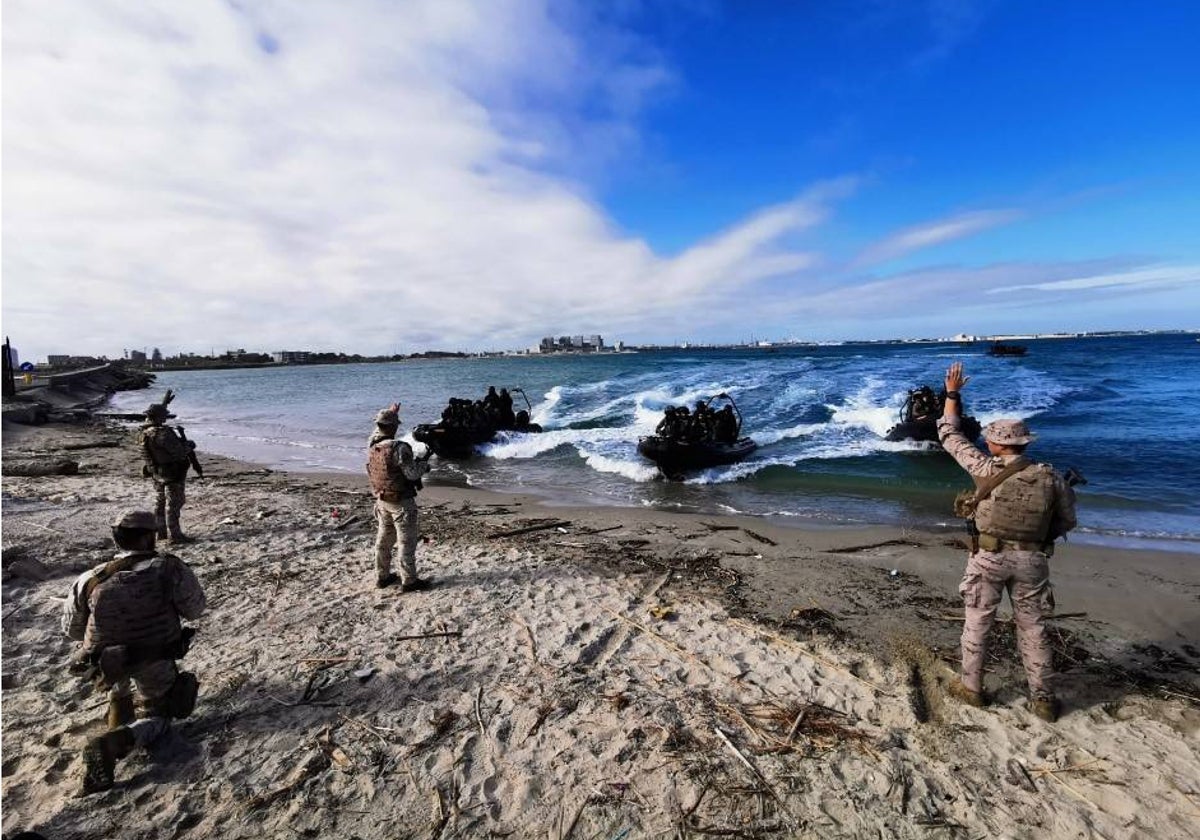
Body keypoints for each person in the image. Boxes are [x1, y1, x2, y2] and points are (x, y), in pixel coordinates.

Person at [938, 361, 1077, 721]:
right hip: (1032, 561)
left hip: (987, 557)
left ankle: (972, 690)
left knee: (977, 622)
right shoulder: (1052, 479)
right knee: (1034, 629)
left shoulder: (984, 468)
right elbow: (1067, 521)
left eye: (990, 440)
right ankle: (1043, 701)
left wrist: (952, 394)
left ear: (995, 444)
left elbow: (950, 436)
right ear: (1024, 443)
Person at [62, 510, 206, 793]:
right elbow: (195, 609)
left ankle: (118, 706)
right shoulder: (169, 568)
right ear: (148, 537)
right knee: (161, 718)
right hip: (154, 656)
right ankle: (115, 741)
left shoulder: (91, 578)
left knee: (117, 680)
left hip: (104, 662)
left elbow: (73, 630)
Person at [367, 403, 432, 590]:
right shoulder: (400, 448)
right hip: (401, 502)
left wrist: (390, 413)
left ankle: (382, 576)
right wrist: (424, 466)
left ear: (378, 425)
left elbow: (376, 433)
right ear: (394, 427)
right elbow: (411, 474)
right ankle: (409, 581)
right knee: (406, 542)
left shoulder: (373, 444)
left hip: (382, 500)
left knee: (383, 541)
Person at [139, 393, 198, 544]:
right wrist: (189, 445)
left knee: (160, 502)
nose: (166, 418)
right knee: (174, 503)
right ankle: (176, 535)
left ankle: (161, 533)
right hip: (172, 473)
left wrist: (164, 404)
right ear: (159, 417)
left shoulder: (144, 433)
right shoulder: (163, 433)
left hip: (155, 472)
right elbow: (178, 452)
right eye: (163, 416)